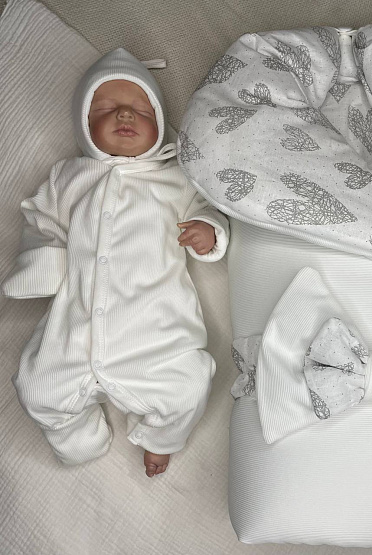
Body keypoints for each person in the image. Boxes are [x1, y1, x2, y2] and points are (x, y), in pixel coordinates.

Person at [1, 48, 229, 478]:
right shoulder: (69, 177)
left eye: (141, 110)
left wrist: (208, 230)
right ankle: (77, 439)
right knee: (35, 387)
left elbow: (206, 207)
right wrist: (46, 264)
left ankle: (161, 439)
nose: (125, 114)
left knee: (189, 386)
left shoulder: (175, 178)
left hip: (154, 333)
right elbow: (42, 217)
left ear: (159, 123)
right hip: (75, 326)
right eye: (106, 109)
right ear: (84, 126)